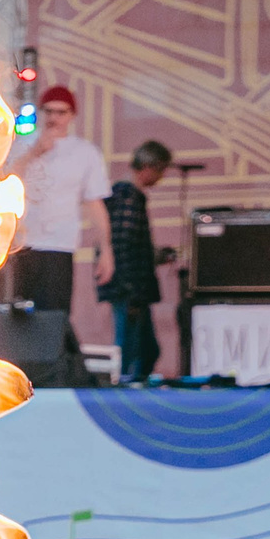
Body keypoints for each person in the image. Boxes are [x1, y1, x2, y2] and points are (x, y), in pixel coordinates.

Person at [0, 84, 111, 312]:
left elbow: (94, 203)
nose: (54, 118)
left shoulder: (85, 152)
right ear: (41, 112)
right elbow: (4, 184)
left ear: (71, 115)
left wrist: (106, 249)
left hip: (59, 245)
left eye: (61, 112)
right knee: (18, 316)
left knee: (53, 315)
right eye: (49, 111)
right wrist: (34, 153)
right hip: (21, 244)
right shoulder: (22, 145)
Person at [98, 139, 174, 382]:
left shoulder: (123, 195)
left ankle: (129, 387)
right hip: (130, 289)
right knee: (131, 350)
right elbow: (123, 245)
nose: (161, 177)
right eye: (161, 170)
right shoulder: (128, 197)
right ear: (150, 167)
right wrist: (130, 289)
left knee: (144, 350)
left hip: (130, 287)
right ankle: (124, 391)